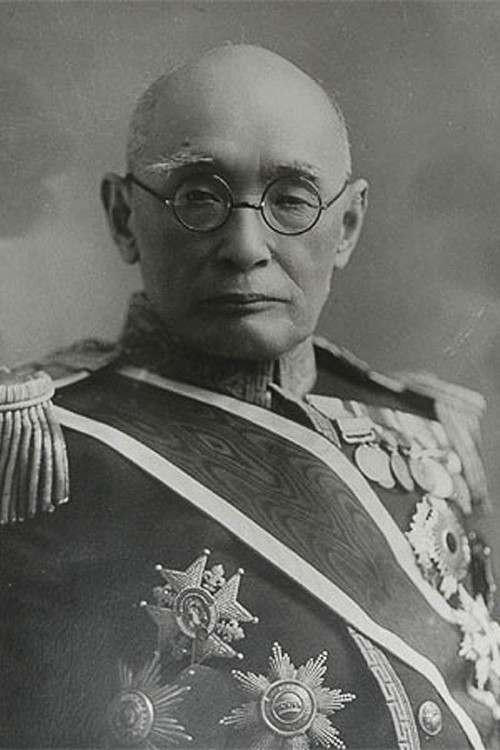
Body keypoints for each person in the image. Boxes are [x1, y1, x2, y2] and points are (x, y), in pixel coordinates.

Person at [1, 44, 499, 750]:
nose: (245, 246)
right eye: (198, 196)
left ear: (348, 225)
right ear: (122, 217)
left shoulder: (425, 430)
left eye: (291, 199)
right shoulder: (35, 456)